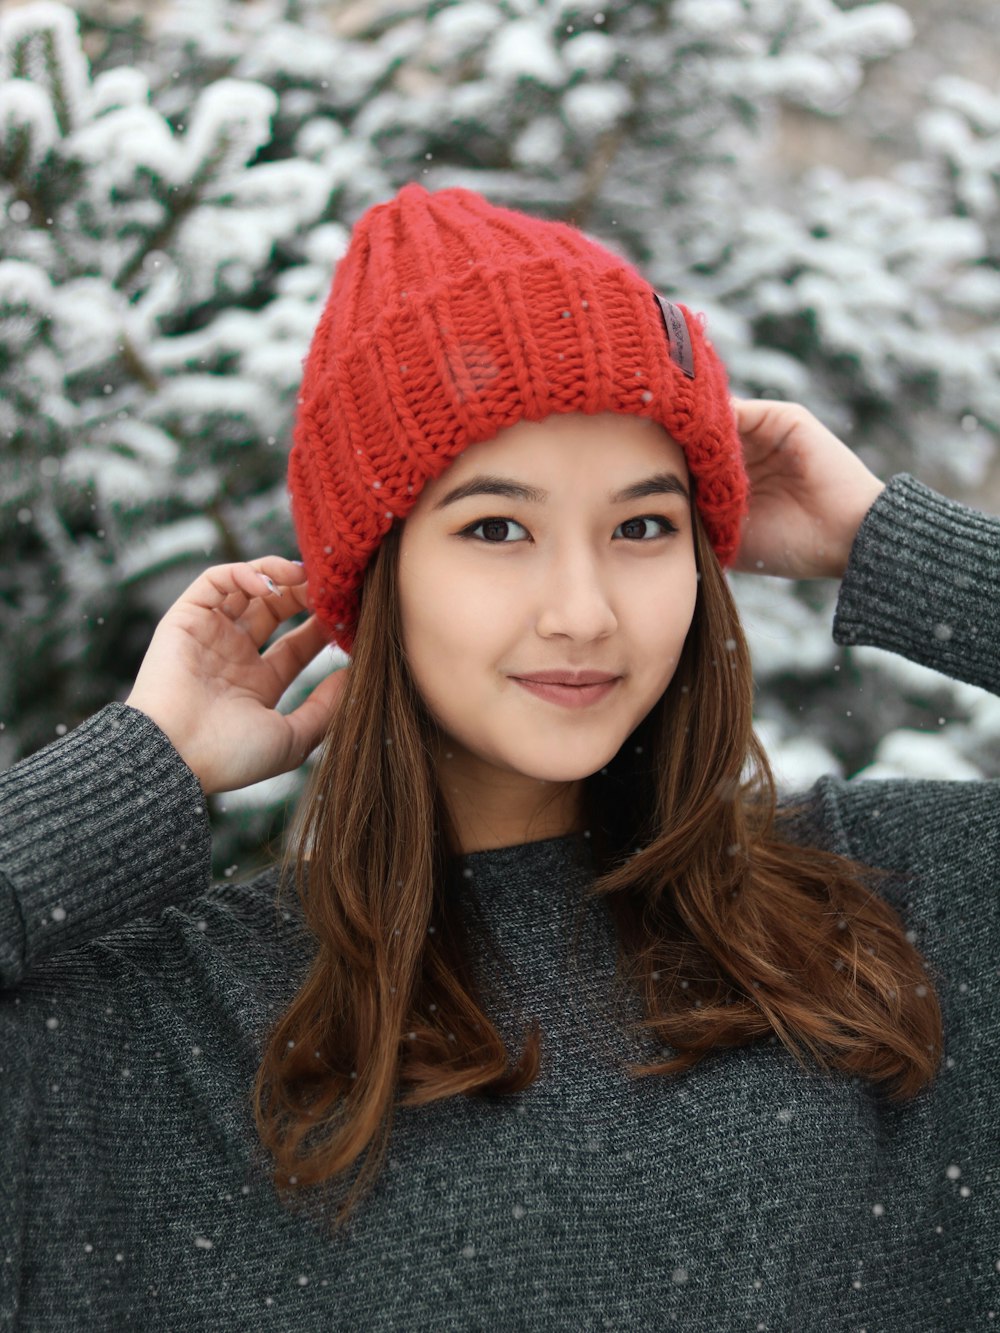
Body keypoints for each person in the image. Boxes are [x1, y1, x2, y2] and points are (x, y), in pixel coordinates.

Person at [1, 183, 997, 1331]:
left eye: (641, 526)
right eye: (495, 528)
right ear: (378, 578)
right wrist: (137, 774)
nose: (582, 610)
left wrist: (899, 547)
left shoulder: (885, 914)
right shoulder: (158, 1034)